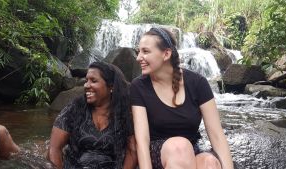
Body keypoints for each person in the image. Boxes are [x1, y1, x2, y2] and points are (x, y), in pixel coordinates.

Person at [130, 27, 234, 169]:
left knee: (209, 163)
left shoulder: (198, 83)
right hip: (157, 154)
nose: (138, 57)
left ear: (166, 54)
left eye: (145, 51)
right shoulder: (138, 86)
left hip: (190, 151)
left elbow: (217, 135)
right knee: (180, 146)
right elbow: (142, 141)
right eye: (139, 51)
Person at [48, 62, 137, 169]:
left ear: (111, 86)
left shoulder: (125, 113)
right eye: (86, 81)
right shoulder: (75, 108)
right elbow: (54, 148)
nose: (86, 85)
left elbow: (132, 151)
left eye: (93, 81)